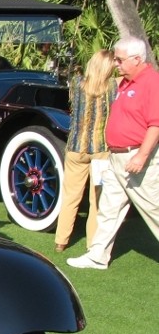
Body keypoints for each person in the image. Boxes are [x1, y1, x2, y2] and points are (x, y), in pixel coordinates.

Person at [68, 36, 159, 270]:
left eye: (119, 59)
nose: (116, 63)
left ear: (137, 59)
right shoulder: (126, 83)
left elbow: (156, 125)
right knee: (109, 209)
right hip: (116, 157)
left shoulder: (151, 82)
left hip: (137, 158)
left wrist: (141, 156)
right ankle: (97, 255)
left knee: (154, 208)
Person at [55, 49, 117, 252]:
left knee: (70, 196)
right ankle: (93, 245)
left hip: (76, 147)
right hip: (101, 149)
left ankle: (61, 241)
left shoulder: (77, 83)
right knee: (97, 200)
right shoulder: (112, 87)